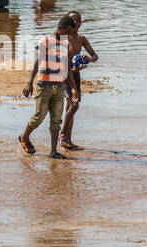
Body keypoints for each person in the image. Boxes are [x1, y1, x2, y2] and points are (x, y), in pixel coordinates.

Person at [19, 15, 78, 159]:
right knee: (39, 116)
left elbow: (68, 68)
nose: (69, 35)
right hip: (43, 85)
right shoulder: (45, 41)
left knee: (56, 120)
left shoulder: (67, 45)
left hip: (59, 87)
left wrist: (73, 87)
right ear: (60, 28)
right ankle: (24, 137)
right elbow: (36, 63)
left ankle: (53, 151)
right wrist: (29, 83)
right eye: (68, 32)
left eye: (71, 33)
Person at [59, 10, 98, 151]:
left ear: (81, 23)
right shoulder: (64, 39)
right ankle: (62, 134)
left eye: (77, 21)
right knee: (73, 105)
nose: (75, 24)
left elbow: (95, 55)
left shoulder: (81, 39)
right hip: (65, 75)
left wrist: (89, 59)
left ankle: (67, 141)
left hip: (76, 74)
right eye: (72, 21)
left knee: (70, 107)